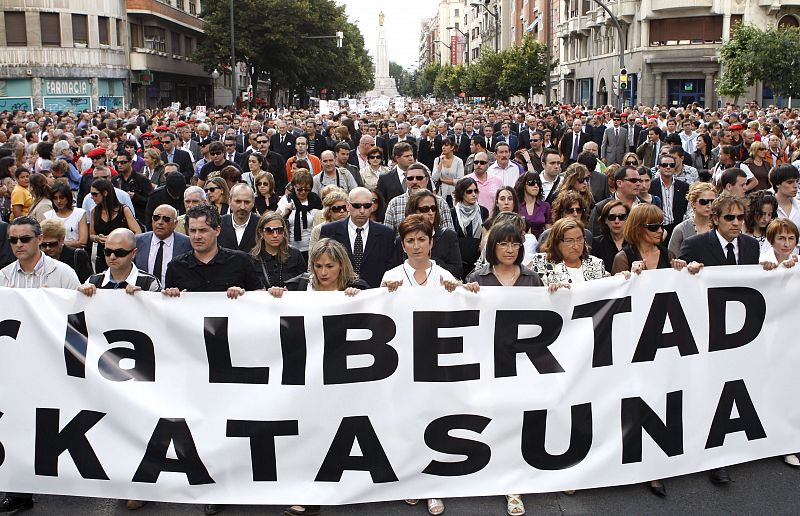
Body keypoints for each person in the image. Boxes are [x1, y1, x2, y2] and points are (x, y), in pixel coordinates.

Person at [679, 193, 767, 486]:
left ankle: (735, 445)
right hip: (707, 331)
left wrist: (772, 272)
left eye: (740, 218)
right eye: (729, 218)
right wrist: (686, 271)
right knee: (710, 392)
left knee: (737, 389)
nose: (736, 223)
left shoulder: (752, 246)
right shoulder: (695, 245)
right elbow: (679, 289)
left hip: (742, 332)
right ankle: (714, 457)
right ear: (715, 219)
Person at [0, 216, 80, 514]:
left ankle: (60, 478)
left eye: (24, 239)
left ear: (38, 238)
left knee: (53, 423)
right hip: (17, 365)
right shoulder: (4, 277)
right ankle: (19, 491)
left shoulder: (64, 274)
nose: (18, 245)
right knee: (17, 424)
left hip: (53, 363)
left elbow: (81, 319)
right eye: (13, 240)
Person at [319, 187, 395, 288]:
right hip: (340, 294)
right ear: (347, 206)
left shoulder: (386, 234)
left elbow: (390, 269)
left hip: (374, 295)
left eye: (367, 206)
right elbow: (321, 263)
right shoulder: (329, 231)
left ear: (372, 207)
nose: (362, 211)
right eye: (357, 206)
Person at [394, 189, 462, 279]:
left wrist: (429, 261)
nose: (430, 213)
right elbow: (396, 269)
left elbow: (458, 270)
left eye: (433, 208)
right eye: (425, 209)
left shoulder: (448, 235)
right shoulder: (402, 240)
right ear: (413, 211)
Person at [79, 228, 161, 296]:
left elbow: (158, 313)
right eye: (107, 252)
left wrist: (142, 298)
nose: (112, 257)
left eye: (119, 253)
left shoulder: (149, 283)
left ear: (133, 253)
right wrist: (81, 295)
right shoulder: (92, 281)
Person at [272, 238, 368, 296]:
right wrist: (277, 293)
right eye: (318, 266)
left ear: (341, 265)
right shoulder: (298, 286)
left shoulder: (358, 286)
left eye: (329, 266)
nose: (323, 273)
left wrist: (360, 297)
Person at [530, 217, 607, 285]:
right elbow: (537, 295)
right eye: (569, 241)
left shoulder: (596, 264)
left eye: (579, 239)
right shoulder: (541, 262)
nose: (576, 246)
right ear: (556, 242)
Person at [89, 178, 141, 272]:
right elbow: (91, 235)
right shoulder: (94, 212)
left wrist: (122, 241)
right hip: (103, 256)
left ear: (105, 193)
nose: (92, 197)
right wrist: (98, 238)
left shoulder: (123, 210)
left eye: (95, 194)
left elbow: (138, 232)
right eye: (91, 194)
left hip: (122, 256)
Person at [134, 204, 191, 287]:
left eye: (166, 219)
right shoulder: (137, 241)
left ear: (175, 223)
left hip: (174, 296)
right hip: (144, 295)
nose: (160, 222)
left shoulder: (187, 243)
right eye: (156, 218)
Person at [251, 211, 307, 288]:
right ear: (261, 232)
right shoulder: (252, 258)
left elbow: (304, 283)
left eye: (280, 230)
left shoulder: (295, 254)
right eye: (269, 230)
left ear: (284, 231)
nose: (275, 235)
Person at [279, 169, 322, 257]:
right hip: (290, 249)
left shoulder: (316, 200)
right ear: (293, 187)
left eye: (307, 190)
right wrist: (285, 213)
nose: (303, 192)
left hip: (312, 248)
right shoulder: (287, 199)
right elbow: (274, 220)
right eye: (299, 189)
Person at [668, 181, 717, 257]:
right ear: (693, 204)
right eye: (704, 201)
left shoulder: (721, 227)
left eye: (713, 202)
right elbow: (671, 258)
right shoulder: (681, 229)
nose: (709, 205)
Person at [451, 177, 489, 276]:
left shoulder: (484, 211)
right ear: (461, 193)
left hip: (477, 259)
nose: (473, 194)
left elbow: (485, 236)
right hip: (458, 258)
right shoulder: (453, 212)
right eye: (469, 191)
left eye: (476, 191)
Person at [39, 218, 93, 282]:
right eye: (44, 245)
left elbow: (88, 282)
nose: (48, 248)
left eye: (52, 244)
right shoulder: (39, 258)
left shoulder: (78, 256)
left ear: (62, 239)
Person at [43, 181, 88, 248]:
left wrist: (57, 244)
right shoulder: (48, 215)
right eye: (55, 198)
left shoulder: (80, 213)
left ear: (68, 198)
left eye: (62, 197)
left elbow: (82, 242)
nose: (58, 201)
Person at [218, 183, 259, 253]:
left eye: (247, 202)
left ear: (253, 203)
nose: (242, 207)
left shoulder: (261, 224)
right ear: (229, 202)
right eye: (238, 201)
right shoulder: (219, 223)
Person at [591, 200, 629, 272]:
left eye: (622, 217)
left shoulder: (635, 243)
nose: (617, 221)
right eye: (612, 217)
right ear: (605, 220)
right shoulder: (597, 243)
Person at [432, 136, 465, 206]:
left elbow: (460, 181)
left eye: (446, 145)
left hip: (455, 194)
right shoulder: (437, 160)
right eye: (442, 145)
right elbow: (434, 178)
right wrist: (440, 163)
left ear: (452, 147)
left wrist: (443, 180)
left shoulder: (459, 161)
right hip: (441, 194)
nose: (443, 147)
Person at [771, 163, 800, 228]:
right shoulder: (767, 206)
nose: (795, 186)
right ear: (777, 184)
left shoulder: (798, 205)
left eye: (797, 181)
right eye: (790, 182)